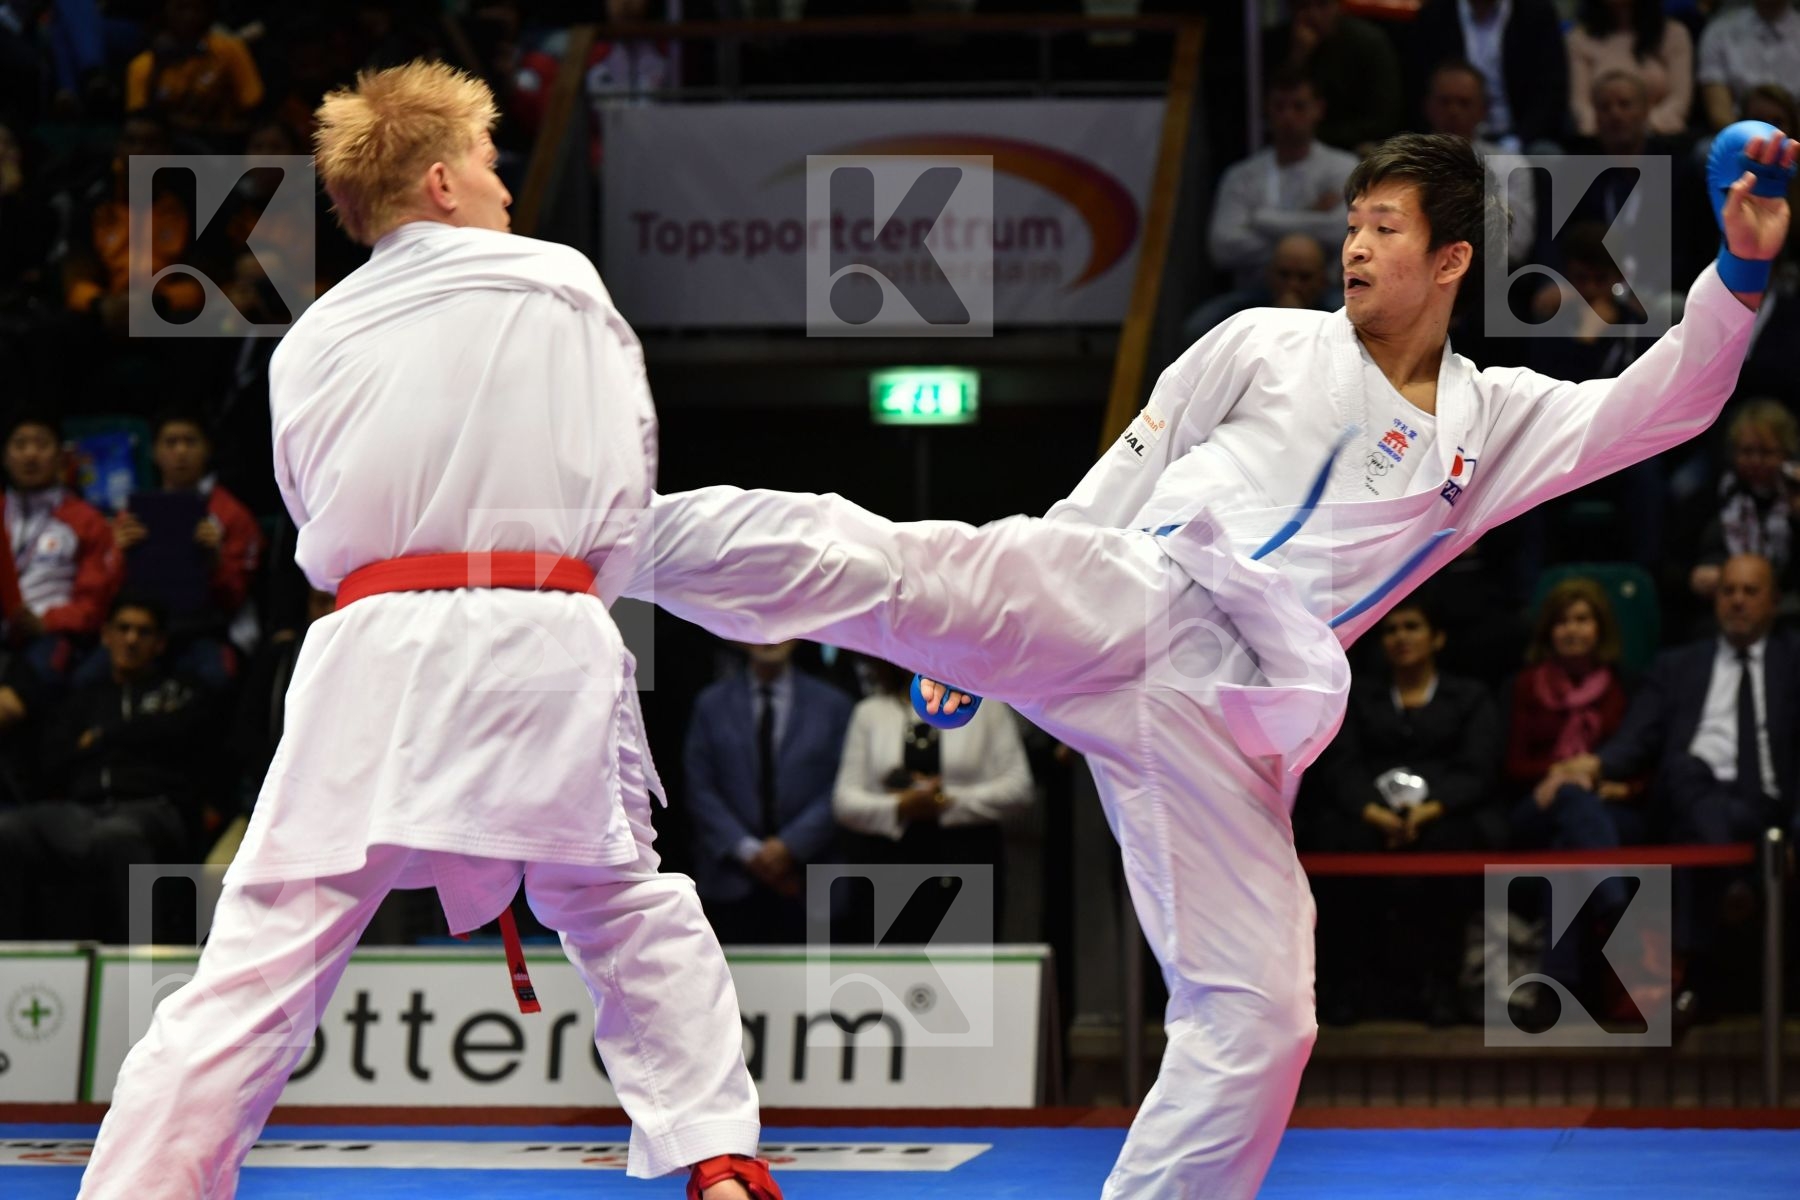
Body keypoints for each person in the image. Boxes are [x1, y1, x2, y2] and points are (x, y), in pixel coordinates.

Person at [624, 127, 1795, 1198]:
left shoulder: (1491, 429)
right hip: (1131, 596)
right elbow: (1119, 478)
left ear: (1450, 261)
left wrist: (1739, 277)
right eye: (1350, 224)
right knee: (890, 568)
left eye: (1384, 229)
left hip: (1235, 719)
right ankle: (611, 534)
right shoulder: (1259, 341)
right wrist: (981, 640)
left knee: (1267, 1014)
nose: (1352, 246)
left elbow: (1662, 408)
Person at [78, 61, 781, 1200]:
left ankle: (135, 1190)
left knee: (264, 948)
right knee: (620, 905)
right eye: (495, 166)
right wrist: (565, 592)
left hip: (369, 638)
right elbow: (619, 489)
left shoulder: (311, 335)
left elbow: (308, 518)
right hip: (537, 627)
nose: (509, 188)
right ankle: (720, 1159)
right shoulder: (558, 282)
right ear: (445, 179)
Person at [1306, 596, 1503, 1025]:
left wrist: (1430, 809)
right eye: (1391, 630)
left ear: (1437, 638)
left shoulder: (1469, 697)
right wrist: (1372, 812)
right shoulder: (1359, 698)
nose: (1400, 637)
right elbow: (1342, 766)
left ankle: (1441, 990)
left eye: (1412, 627)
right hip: (1372, 819)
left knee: (1451, 850)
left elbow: (1478, 769)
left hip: (1442, 817)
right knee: (1336, 843)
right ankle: (1348, 990)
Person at [683, 639, 853, 945]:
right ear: (737, 634)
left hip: (810, 877)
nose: (769, 635)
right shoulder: (711, 704)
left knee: (811, 990)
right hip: (730, 880)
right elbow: (699, 787)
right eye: (757, 623)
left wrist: (789, 847)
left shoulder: (834, 705)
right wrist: (748, 851)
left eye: (780, 622)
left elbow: (842, 786)